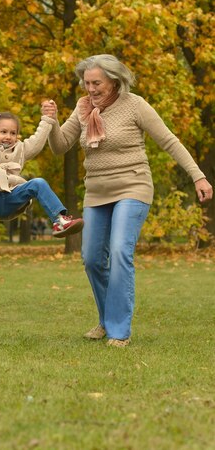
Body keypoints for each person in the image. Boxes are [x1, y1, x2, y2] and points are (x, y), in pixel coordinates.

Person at [42, 54, 213, 347]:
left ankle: (119, 330)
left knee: (121, 251)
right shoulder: (83, 109)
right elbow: (59, 147)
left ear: (114, 80)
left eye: (97, 83)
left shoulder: (135, 105)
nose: (91, 89)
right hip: (96, 191)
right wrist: (51, 121)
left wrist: (198, 176)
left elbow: (169, 140)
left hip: (133, 185)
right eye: (87, 83)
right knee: (92, 259)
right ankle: (106, 319)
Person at [0, 91, 84, 237]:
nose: (8, 137)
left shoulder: (20, 150)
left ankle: (59, 221)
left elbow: (38, 141)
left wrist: (47, 119)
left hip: (11, 201)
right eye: (3, 132)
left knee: (38, 182)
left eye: (13, 133)